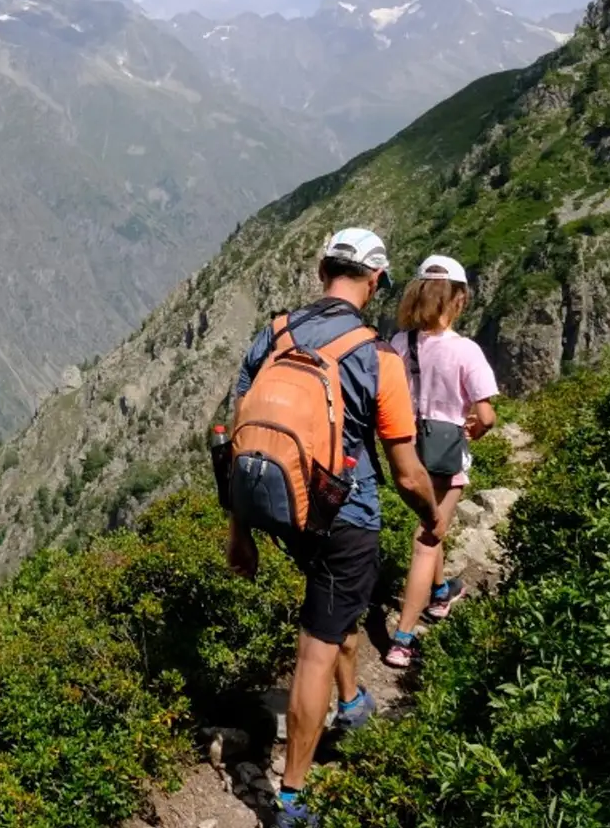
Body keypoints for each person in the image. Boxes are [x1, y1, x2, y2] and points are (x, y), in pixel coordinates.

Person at [224, 227, 440, 828]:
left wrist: (239, 532)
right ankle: (290, 800)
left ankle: (352, 703)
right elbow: (406, 471)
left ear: (323, 270)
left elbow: (243, 436)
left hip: (284, 510)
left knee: (332, 609)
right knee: (316, 648)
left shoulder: (274, 334)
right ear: (373, 282)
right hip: (347, 519)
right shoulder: (379, 357)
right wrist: (430, 519)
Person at [383, 254, 500, 669]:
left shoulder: (400, 343)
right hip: (446, 460)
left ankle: (439, 594)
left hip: (406, 455)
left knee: (434, 522)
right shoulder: (466, 351)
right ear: (459, 299)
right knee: (427, 538)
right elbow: (486, 415)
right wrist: (476, 430)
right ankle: (403, 639)